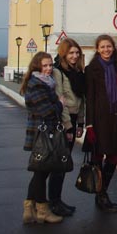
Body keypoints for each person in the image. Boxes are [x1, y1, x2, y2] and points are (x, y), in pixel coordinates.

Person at [84, 34, 117, 213]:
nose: (106, 50)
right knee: (98, 158)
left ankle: (102, 192)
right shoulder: (92, 69)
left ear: (114, 48)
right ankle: (101, 194)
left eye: (109, 46)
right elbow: (89, 98)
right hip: (100, 119)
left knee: (113, 157)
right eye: (103, 47)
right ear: (97, 49)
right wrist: (89, 125)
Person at [21, 52, 64, 224]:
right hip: (41, 134)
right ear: (37, 66)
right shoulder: (36, 84)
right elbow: (47, 111)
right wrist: (60, 104)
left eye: (50, 65)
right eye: (45, 66)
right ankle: (42, 210)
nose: (48, 69)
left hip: (43, 132)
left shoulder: (46, 82)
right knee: (41, 172)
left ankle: (29, 208)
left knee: (40, 171)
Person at [49, 39, 85, 217]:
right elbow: (60, 100)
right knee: (59, 163)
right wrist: (68, 126)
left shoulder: (77, 71)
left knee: (63, 162)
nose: (74, 56)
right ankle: (53, 202)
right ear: (63, 53)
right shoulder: (58, 71)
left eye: (77, 53)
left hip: (73, 118)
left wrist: (80, 123)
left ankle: (58, 199)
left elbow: (80, 100)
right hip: (63, 121)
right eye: (71, 53)